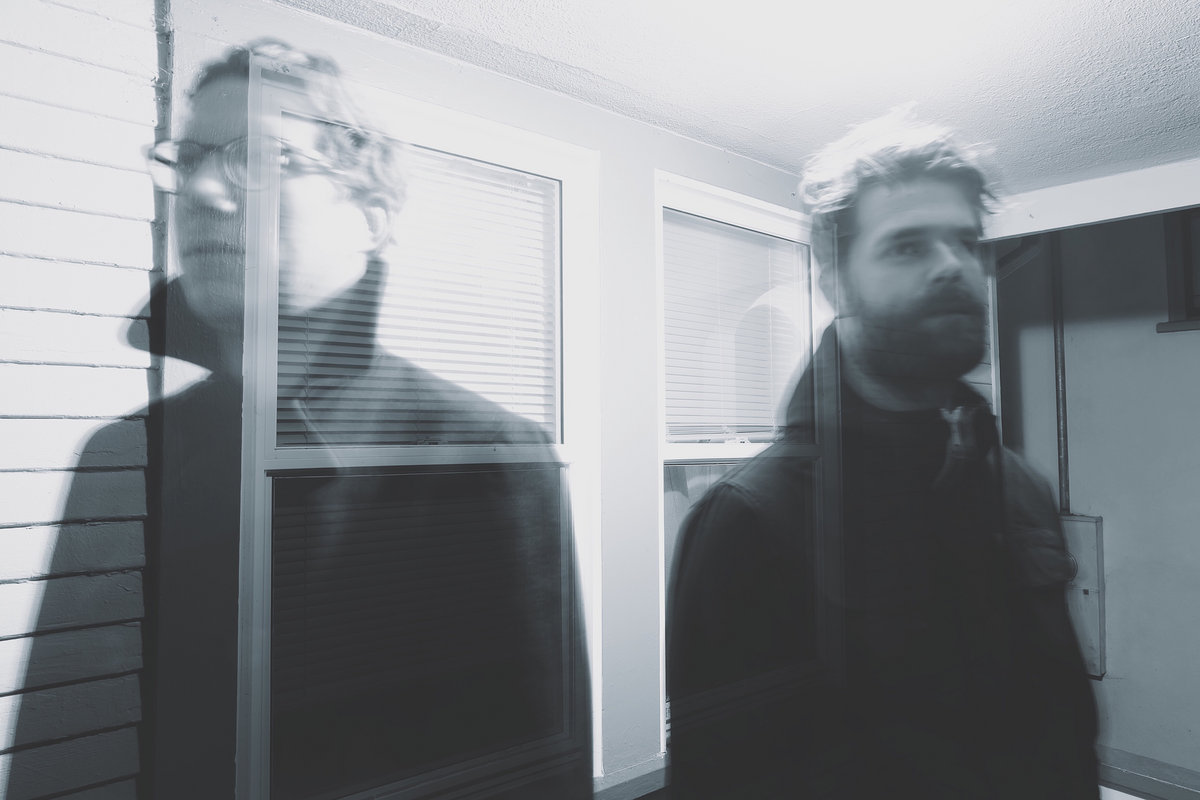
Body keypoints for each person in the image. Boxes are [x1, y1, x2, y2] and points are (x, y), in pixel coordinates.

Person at [19, 39, 590, 800]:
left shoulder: (485, 454)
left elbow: (532, 773)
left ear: (371, 217)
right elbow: (61, 757)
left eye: (267, 158)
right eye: (191, 159)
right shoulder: (125, 454)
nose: (203, 190)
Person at [667, 109, 1098, 799]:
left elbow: (1064, 726)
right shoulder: (750, 518)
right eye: (907, 247)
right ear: (836, 283)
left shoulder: (1019, 485)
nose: (955, 267)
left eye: (966, 242)